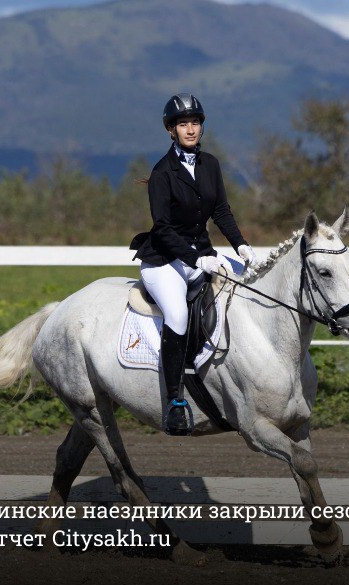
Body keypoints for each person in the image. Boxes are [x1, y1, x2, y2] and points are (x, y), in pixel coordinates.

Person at [130, 93, 257, 435]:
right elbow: (163, 229)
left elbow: (221, 211)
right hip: (164, 260)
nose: (190, 129)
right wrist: (195, 258)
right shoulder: (161, 174)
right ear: (171, 130)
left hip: (201, 253)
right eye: (183, 124)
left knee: (246, 288)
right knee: (178, 315)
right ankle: (175, 400)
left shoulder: (210, 164)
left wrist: (241, 246)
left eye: (195, 123)